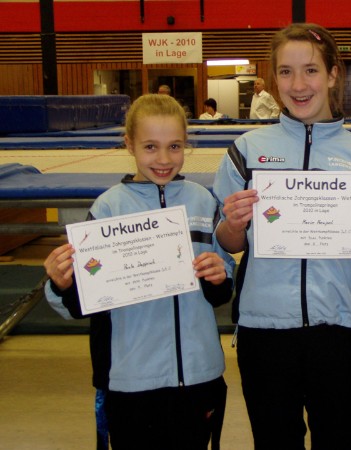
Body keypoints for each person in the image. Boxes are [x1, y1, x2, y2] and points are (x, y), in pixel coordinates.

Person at [212, 23, 351, 450]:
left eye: (311, 71)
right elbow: (228, 244)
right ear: (273, 77)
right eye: (285, 72)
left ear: (334, 73)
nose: (298, 85)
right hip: (265, 331)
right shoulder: (244, 151)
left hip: (338, 329)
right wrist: (233, 223)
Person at [43, 94, 235, 450]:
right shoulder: (108, 208)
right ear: (129, 144)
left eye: (174, 146)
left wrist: (220, 274)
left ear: (186, 145)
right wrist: (62, 283)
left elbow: (223, 290)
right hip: (131, 381)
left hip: (198, 375)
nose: (163, 159)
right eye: (150, 146)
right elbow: (80, 302)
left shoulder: (202, 201)